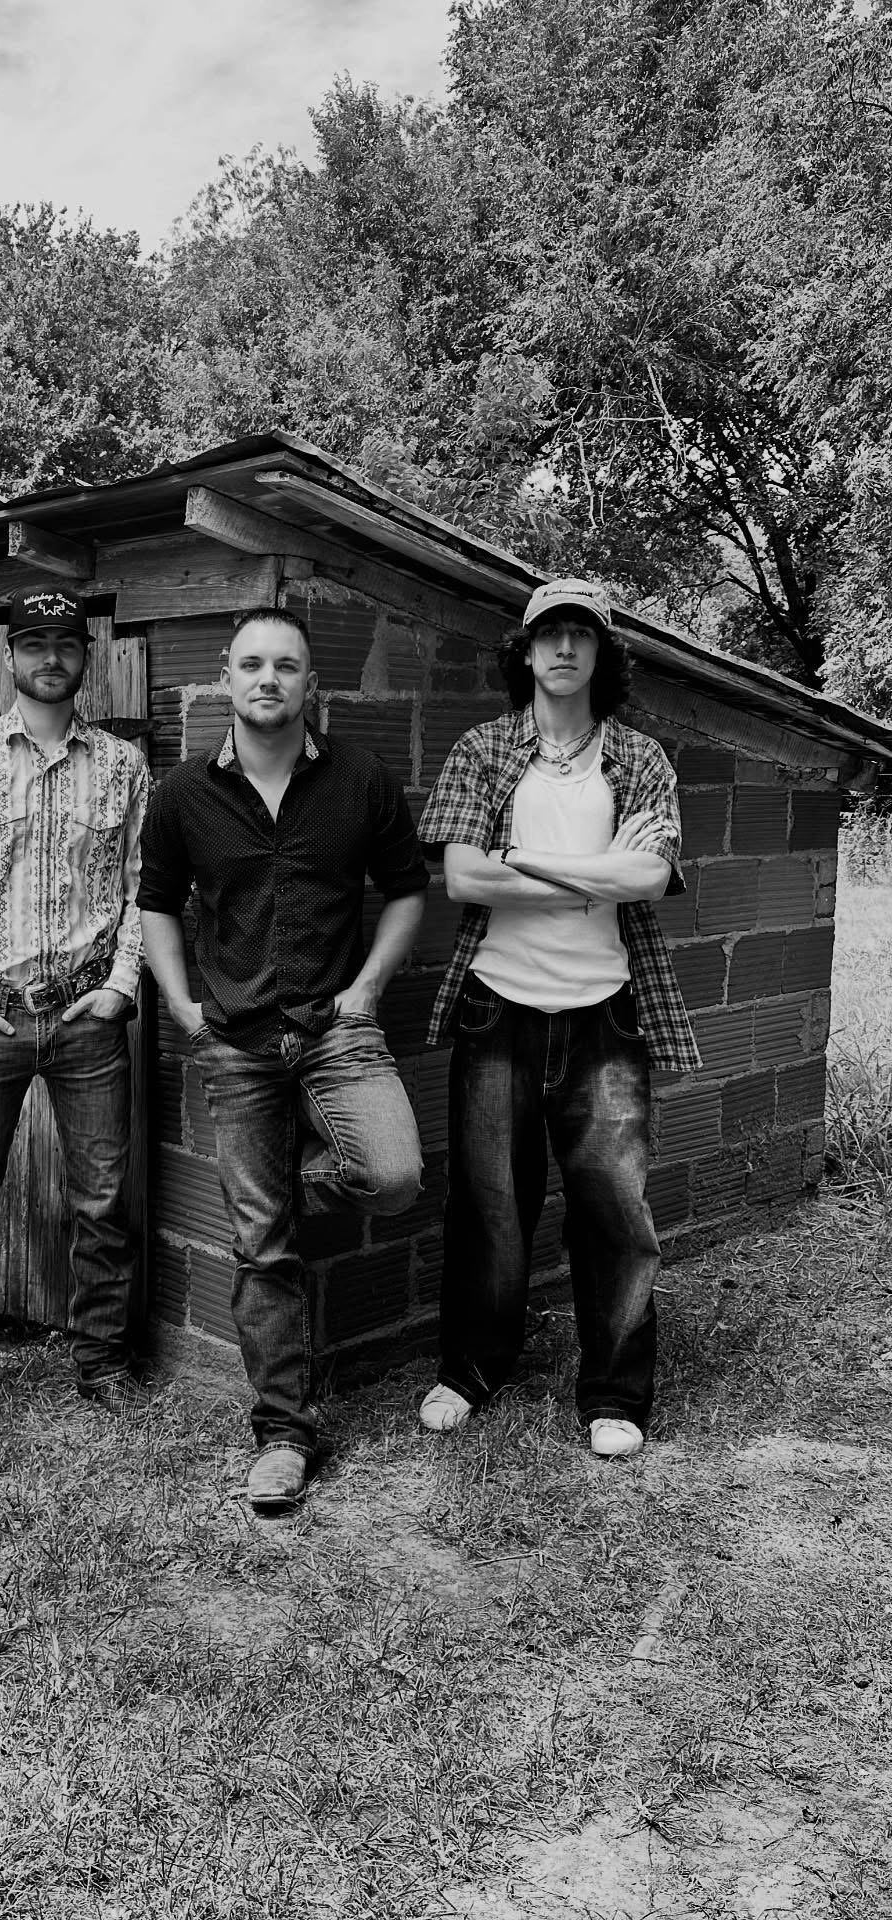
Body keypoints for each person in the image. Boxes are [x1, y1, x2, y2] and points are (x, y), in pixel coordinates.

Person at [139, 605, 427, 1514]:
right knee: (261, 1248)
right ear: (227, 677)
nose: (268, 679)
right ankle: (284, 1435)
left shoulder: (361, 779)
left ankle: (283, 1188)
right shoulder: (182, 794)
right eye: (253, 664)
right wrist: (182, 1004)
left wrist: (369, 988)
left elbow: (409, 890)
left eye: (287, 666)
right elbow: (155, 903)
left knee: (393, 1177)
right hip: (234, 1042)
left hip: (338, 1029)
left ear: (311, 683)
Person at [416, 578, 701, 1459]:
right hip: (496, 1006)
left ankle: (614, 1392)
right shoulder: (483, 748)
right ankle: (472, 1369)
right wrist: (593, 871)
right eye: (550, 634)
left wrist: (523, 857)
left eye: (583, 634)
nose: (565, 647)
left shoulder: (640, 757)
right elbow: (464, 877)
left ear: (603, 654)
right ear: (527, 650)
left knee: (614, 1210)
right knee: (489, 1204)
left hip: (605, 1013)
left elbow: (649, 878)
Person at [0, 585, 150, 1414]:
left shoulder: (121, 765)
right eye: (36, 644)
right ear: (10, 656)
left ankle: (103, 1364)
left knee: (103, 1201)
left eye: (67, 645)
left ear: (87, 658)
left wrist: (121, 985)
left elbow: (145, 886)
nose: (52, 658)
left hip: (87, 1018)